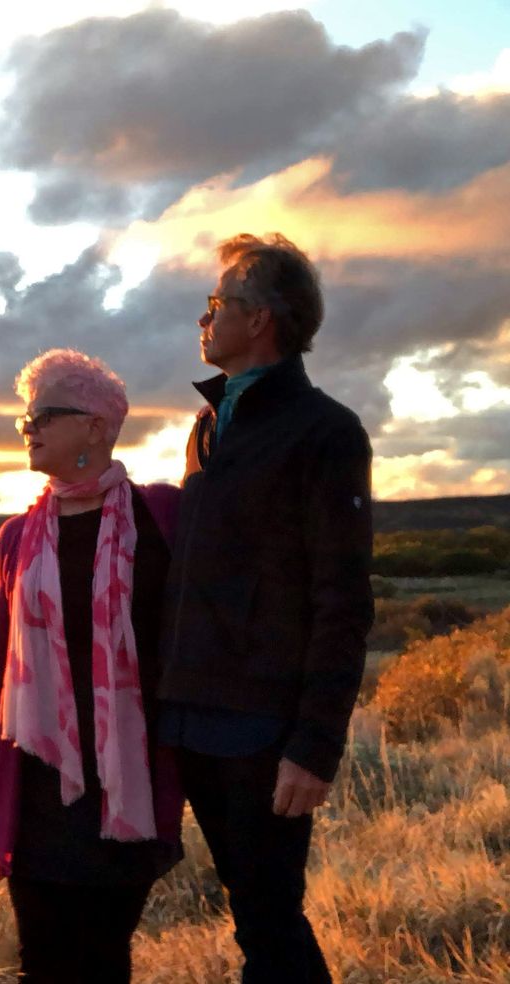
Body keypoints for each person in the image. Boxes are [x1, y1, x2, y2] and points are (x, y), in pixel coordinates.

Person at [157, 233, 374, 983]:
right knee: (251, 914)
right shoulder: (210, 427)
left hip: (261, 727)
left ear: (261, 319)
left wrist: (315, 744)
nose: (204, 320)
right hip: (191, 717)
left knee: (270, 920)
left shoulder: (325, 431)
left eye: (217, 304)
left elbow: (343, 598)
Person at [0, 348, 184, 984]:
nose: (28, 428)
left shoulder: (163, 517)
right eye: (24, 419)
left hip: (129, 782)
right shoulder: (16, 539)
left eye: (44, 415)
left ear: (97, 426)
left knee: (103, 958)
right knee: (43, 963)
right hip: (36, 787)